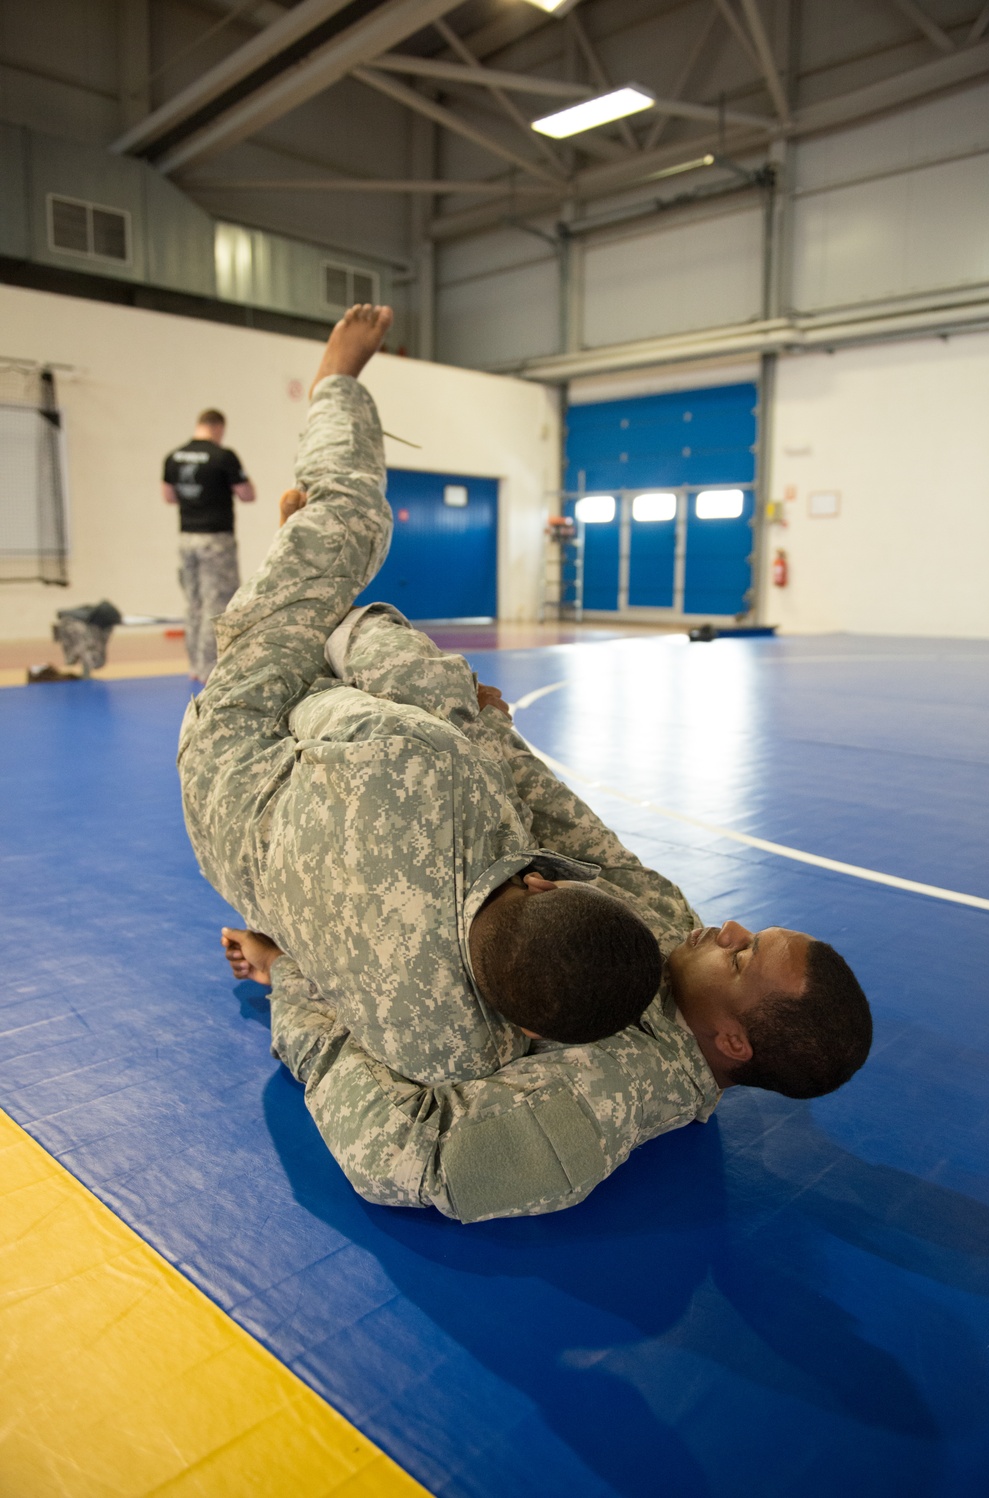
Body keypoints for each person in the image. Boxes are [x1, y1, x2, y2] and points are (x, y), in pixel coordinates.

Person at [183, 303, 872, 1222]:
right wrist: (488, 731)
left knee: (360, 635)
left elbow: (416, 1161)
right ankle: (323, 603)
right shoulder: (669, 927)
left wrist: (301, 981)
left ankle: (322, 566)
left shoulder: (612, 1094)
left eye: (746, 957)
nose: (733, 928)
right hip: (369, 824)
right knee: (432, 704)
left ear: (732, 1044)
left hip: (291, 800)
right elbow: (567, 826)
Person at [177, 305, 666, 1092]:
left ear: (542, 882)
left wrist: (341, 632)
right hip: (237, 866)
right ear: (532, 1031)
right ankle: (303, 586)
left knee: (347, 526)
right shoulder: (451, 1053)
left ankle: (335, 385)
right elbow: (332, 1043)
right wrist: (282, 969)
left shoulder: (436, 773)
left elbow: (318, 705)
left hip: (235, 745)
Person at [162, 408, 256, 683]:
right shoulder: (222, 456)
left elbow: (168, 496)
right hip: (216, 539)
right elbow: (247, 494)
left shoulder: (173, 457)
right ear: (219, 427)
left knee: (193, 603)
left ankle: (194, 665)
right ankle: (210, 668)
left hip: (186, 537)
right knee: (217, 604)